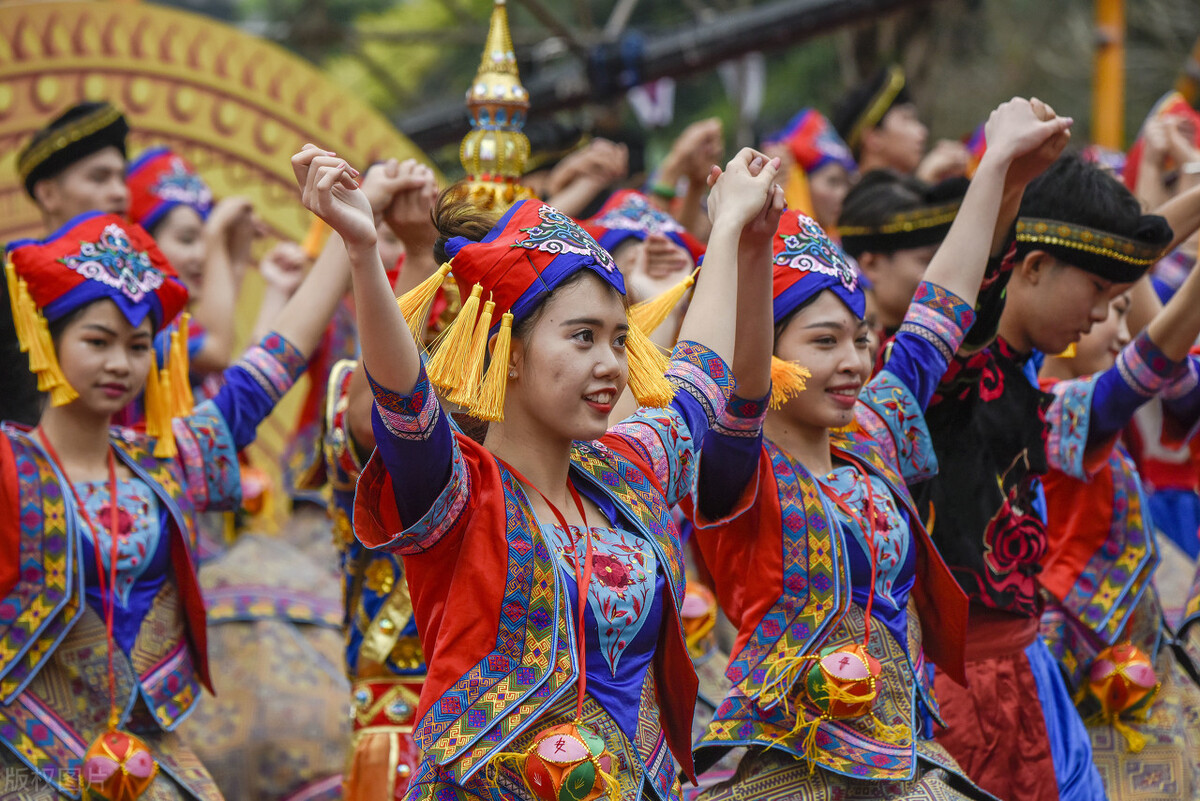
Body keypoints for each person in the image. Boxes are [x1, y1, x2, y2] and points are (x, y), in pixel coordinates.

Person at [297, 139, 781, 798]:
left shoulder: (629, 473)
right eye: (582, 337)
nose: (611, 365)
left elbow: (701, 373)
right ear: (509, 353)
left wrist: (732, 232)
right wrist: (361, 251)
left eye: (619, 339)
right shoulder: (461, 492)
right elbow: (403, 402)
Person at [684, 97, 1071, 800]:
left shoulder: (875, 430)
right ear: (766, 351)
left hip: (902, 757)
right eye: (823, 342)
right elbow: (738, 384)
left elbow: (942, 307)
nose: (856, 361)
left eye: (859, 337)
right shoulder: (737, 460)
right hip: (788, 766)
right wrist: (741, 242)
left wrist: (996, 165)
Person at [0, 190, 360, 799]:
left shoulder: (164, 465)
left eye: (138, 347)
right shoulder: (9, 465)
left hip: (151, 754)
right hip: (32, 753)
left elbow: (265, 373)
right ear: (46, 340)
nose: (120, 363)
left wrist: (354, 240)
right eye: (97, 341)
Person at [915, 152, 1176, 801]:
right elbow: (968, 301)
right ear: (1030, 267)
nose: (1105, 318)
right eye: (1099, 293)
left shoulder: (1026, 386)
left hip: (1034, 675)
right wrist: (999, 169)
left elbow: (1132, 382)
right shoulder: (948, 380)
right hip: (967, 692)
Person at [1038, 263, 1200, 799]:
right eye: (1108, 307)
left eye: (1126, 310)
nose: (1122, 330)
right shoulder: (1045, 412)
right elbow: (1156, 364)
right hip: (1067, 659)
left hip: (1127, 655)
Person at [2, 102, 130, 426]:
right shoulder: (9, 282)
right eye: (100, 178)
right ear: (48, 194)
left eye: (122, 178)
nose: (120, 193)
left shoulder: (137, 283)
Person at [838, 170, 968, 337]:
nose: (946, 273)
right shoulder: (855, 354)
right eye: (929, 260)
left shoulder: (953, 338)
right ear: (872, 265)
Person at [830, 66, 968, 184]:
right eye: (907, 119)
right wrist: (924, 179)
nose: (922, 132)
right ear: (873, 137)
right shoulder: (855, 203)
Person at [762, 108, 858, 234]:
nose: (843, 194)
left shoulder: (844, 243)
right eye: (833, 182)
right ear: (802, 183)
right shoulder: (768, 241)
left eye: (847, 184)